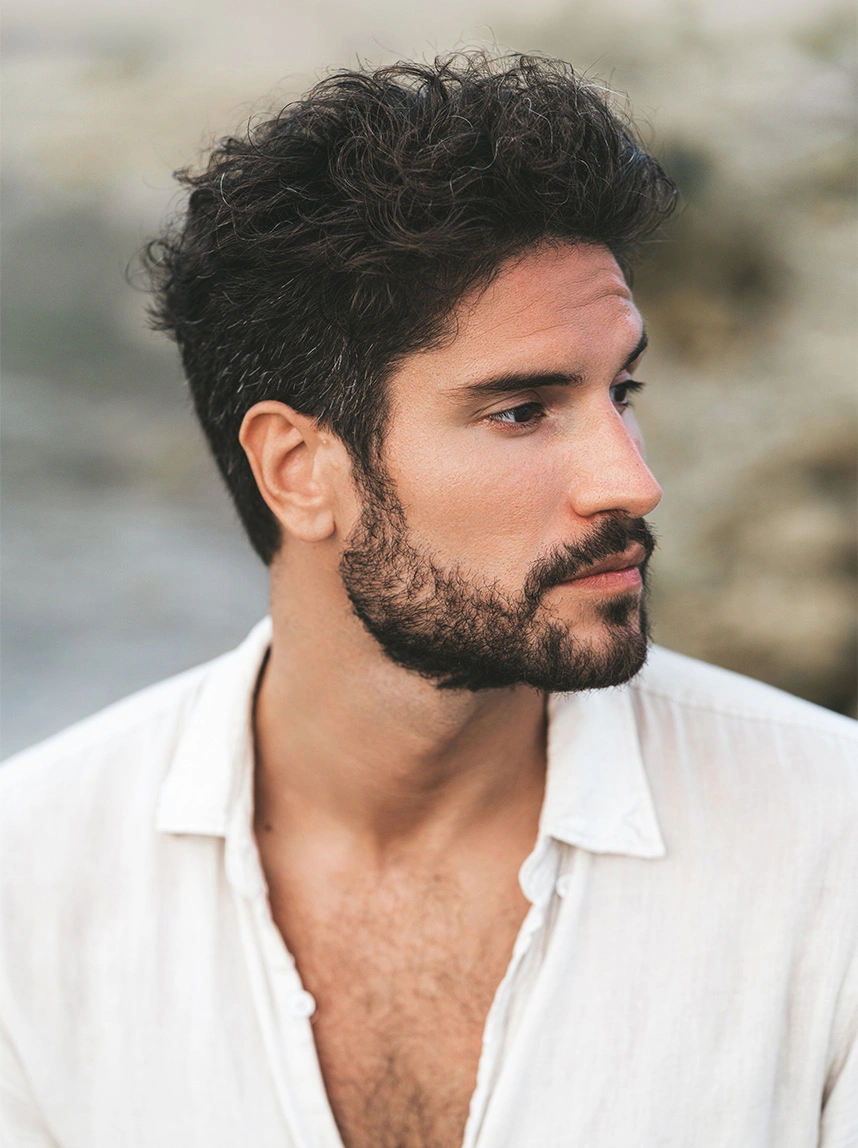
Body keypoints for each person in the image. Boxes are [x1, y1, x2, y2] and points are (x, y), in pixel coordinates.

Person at [0, 52, 855, 1148]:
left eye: (620, 391)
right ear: (302, 470)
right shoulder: (31, 882)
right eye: (522, 411)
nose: (633, 478)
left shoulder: (832, 846)